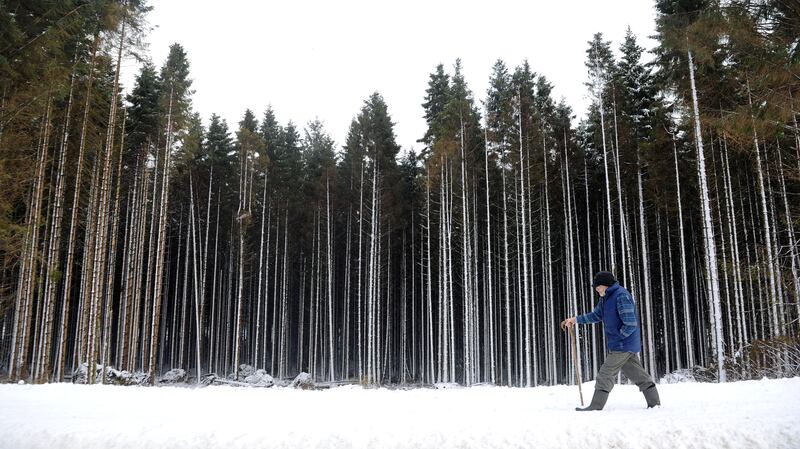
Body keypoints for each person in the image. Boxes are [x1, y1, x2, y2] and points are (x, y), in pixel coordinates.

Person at [561, 271, 660, 411]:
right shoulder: (606, 298)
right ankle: (654, 404)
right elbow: (596, 315)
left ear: (606, 285)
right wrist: (575, 320)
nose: (596, 289)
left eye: (598, 286)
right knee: (638, 374)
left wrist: (620, 337)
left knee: (605, 374)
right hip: (622, 343)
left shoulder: (620, 296)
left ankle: (596, 406)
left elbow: (630, 323)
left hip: (623, 344)